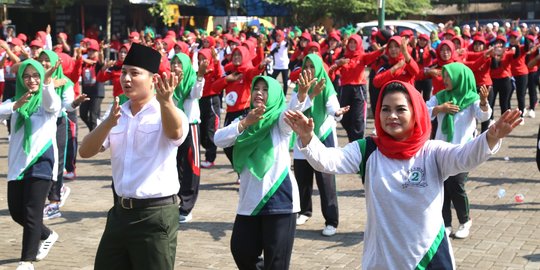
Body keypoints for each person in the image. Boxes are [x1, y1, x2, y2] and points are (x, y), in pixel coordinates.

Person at [285, 80, 522, 269]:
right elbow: (327, 161)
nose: (392, 116)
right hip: (383, 259)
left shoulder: (432, 152)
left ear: (416, 112)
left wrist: (491, 136)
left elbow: (464, 156)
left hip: (429, 256)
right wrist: (307, 137)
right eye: (385, 109)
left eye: (401, 109)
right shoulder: (368, 150)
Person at [78, 43, 189, 270]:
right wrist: (108, 123)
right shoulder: (118, 111)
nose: (126, 78)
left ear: (153, 79)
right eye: (124, 72)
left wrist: (166, 101)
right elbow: (85, 151)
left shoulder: (167, 112)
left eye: (134, 73)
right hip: (119, 214)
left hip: (155, 216)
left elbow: (176, 133)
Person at [214, 75, 308, 269]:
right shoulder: (244, 120)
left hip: (279, 200)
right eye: (256, 88)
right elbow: (219, 139)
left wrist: (301, 95)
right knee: (241, 251)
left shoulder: (280, 122)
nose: (259, 93)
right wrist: (245, 123)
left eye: (265, 90)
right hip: (250, 200)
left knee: (277, 263)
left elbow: (291, 112)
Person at [2, 59, 62, 270]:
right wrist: (14, 106)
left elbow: (52, 104)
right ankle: (47, 234)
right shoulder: (15, 102)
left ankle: (26, 261)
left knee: (31, 213)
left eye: (35, 75)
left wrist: (47, 82)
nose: (31, 80)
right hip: (18, 166)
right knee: (17, 212)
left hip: (41, 163)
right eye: (26, 76)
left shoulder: (47, 102)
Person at [426, 63, 491, 238]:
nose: (444, 80)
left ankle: (465, 221)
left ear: (459, 78)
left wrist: (484, 102)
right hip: (440, 150)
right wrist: (440, 109)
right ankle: (445, 223)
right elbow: (423, 110)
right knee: (442, 187)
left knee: (456, 186)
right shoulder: (440, 97)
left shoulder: (471, 98)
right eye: (444, 76)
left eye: (448, 77)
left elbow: (483, 115)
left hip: (462, 151)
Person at [292, 54, 348, 237]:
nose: (308, 69)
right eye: (305, 66)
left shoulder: (325, 84)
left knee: (326, 181)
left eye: (311, 66)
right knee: (303, 178)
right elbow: (294, 109)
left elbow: (333, 107)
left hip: (322, 136)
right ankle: (304, 211)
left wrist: (338, 112)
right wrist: (309, 94)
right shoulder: (300, 87)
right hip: (302, 135)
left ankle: (331, 220)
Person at [170, 52, 205, 223]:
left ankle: (187, 206)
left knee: (192, 166)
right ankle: (175, 199)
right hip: (174, 127)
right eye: (173, 62)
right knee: (174, 164)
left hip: (190, 126)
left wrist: (200, 77)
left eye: (179, 63)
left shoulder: (192, 81)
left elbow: (196, 93)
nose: (176, 66)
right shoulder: (169, 82)